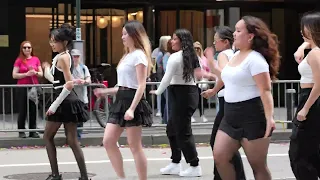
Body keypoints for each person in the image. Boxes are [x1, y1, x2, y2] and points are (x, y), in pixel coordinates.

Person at [211, 16, 280, 180]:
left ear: (250, 36)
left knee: (258, 166)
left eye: (238, 30)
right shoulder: (235, 55)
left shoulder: (256, 60)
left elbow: (265, 90)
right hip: (230, 114)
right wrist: (213, 89)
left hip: (252, 115)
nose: (234, 34)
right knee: (220, 156)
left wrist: (270, 118)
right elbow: (228, 77)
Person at [94, 20, 153, 180]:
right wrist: (105, 91)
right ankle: (122, 177)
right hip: (121, 99)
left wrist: (132, 108)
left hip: (132, 101)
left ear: (134, 35)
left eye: (125, 34)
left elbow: (141, 85)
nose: (122, 37)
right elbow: (122, 86)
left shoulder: (139, 55)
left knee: (135, 146)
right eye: (122, 34)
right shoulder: (127, 55)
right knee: (108, 141)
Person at [150, 29, 205, 177]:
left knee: (182, 132)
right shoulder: (193, 56)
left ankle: (194, 165)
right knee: (172, 129)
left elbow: (167, 78)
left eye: (175, 39)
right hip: (189, 94)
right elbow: (200, 76)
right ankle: (175, 162)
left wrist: (158, 92)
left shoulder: (175, 57)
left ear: (182, 41)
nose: (171, 41)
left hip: (182, 95)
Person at [42, 24, 90, 180]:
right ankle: (83, 176)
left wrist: (54, 106)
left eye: (54, 41)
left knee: (48, 137)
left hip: (64, 101)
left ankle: (56, 175)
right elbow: (57, 81)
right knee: (72, 140)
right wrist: (46, 71)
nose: (52, 44)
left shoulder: (62, 57)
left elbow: (68, 85)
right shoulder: (62, 56)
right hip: (66, 100)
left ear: (63, 42)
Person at [202, 26, 246, 180]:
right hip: (229, 100)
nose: (214, 44)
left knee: (219, 143)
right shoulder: (234, 54)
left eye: (216, 41)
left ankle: (225, 176)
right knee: (225, 144)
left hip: (228, 103)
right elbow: (225, 78)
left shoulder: (223, 55)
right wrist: (213, 91)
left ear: (225, 42)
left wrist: (211, 64)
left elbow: (226, 76)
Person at [288, 11, 320, 180]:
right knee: (312, 148)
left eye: (304, 28)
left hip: (311, 98)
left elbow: (319, 84)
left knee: (299, 149)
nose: (301, 31)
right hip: (310, 98)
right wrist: (302, 47)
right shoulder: (314, 50)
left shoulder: (315, 53)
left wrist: (305, 109)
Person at [12, 41, 43, 138]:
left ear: (31, 49)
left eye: (29, 47)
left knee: (33, 109)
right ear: (22, 49)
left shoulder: (36, 59)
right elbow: (14, 75)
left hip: (33, 87)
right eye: (24, 47)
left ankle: (32, 130)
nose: (27, 49)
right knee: (22, 109)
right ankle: (21, 130)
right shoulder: (19, 60)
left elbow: (41, 73)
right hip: (22, 87)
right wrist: (26, 74)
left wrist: (35, 73)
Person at [70, 49, 91, 145]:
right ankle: (72, 138)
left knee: (80, 119)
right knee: (72, 119)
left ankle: (77, 139)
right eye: (74, 56)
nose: (76, 58)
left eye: (77, 56)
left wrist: (84, 81)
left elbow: (88, 79)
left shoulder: (83, 68)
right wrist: (75, 81)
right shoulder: (69, 68)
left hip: (82, 97)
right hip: (72, 97)